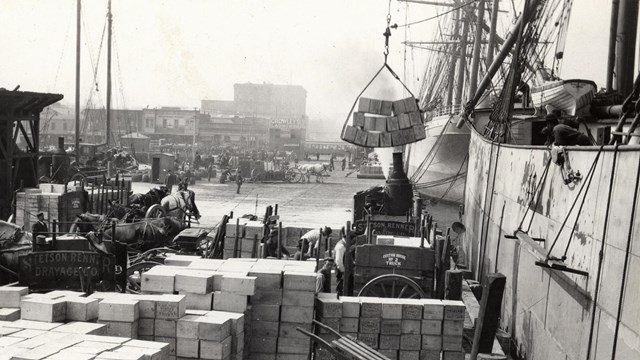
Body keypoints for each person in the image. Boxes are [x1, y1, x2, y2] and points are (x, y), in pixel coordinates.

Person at [334, 228, 347, 295]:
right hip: (340, 271)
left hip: (342, 270)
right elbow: (338, 261)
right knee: (340, 287)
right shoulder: (341, 246)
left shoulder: (343, 245)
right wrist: (343, 272)